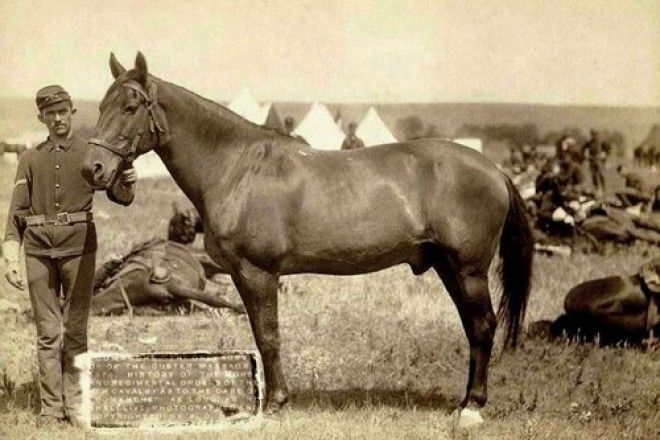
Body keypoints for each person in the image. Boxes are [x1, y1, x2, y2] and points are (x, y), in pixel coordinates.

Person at [1, 85, 137, 428]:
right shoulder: (30, 158)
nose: (58, 118)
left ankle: (76, 408)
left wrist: (128, 181)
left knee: (75, 331)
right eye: (51, 113)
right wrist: (10, 258)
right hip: (37, 252)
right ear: (41, 117)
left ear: (72, 111)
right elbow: (15, 214)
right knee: (48, 334)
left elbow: (120, 195)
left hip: (79, 250)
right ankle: (50, 409)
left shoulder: (89, 153)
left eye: (63, 111)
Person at [582, 129, 608, 194]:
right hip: (591, 160)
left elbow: (607, 148)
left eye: (594, 134)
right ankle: (596, 188)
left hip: (598, 160)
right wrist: (585, 156)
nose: (593, 136)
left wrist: (604, 155)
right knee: (594, 175)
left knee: (601, 174)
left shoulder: (601, 142)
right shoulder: (589, 142)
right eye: (592, 135)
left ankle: (604, 187)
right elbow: (583, 148)